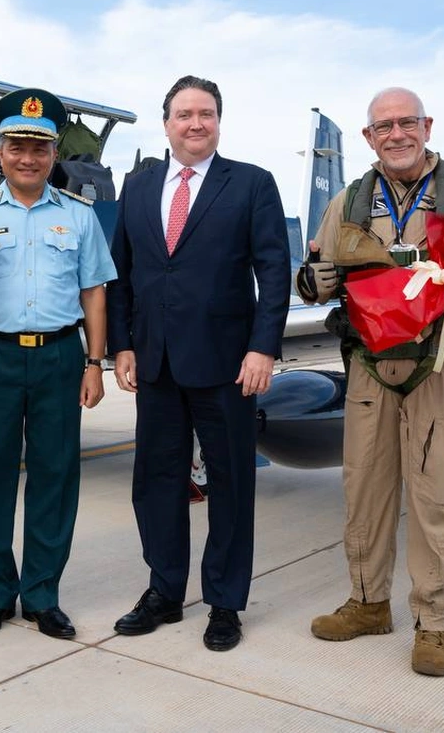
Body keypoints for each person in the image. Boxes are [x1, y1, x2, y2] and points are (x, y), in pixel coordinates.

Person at [297, 86, 444, 676]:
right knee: (365, 491)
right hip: (368, 366)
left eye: (407, 122)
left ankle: (435, 625)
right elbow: (317, 279)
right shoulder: (349, 202)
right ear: (368, 137)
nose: (397, 134)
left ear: (427, 126)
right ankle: (367, 602)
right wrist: (312, 282)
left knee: (441, 497)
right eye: (384, 126)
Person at [106, 75, 291, 652]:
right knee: (156, 481)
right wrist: (122, 345)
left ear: (218, 120)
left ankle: (225, 603)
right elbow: (123, 272)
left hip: (228, 365)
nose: (195, 123)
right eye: (184, 114)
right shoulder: (138, 187)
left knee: (231, 485)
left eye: (205, 113)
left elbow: (274, 269)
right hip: (156, 362)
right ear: (166, 123)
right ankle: (164, 592)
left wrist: (263, 347)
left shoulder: (252, 184)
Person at [0, 88, 116, 639]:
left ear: (54, 154)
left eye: (39, 148)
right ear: (0, 151)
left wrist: (93, 363)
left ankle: (42, 594)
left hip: (61, 356)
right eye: (17, 146)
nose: (27, 158)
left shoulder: (80, 218)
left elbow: (94, 294)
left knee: (55, 476)